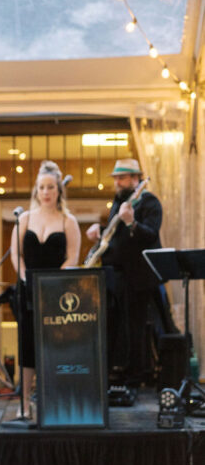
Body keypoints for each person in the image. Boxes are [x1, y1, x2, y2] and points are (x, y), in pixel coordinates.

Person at [10, 160, 81, 418]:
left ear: (59, 190)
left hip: (57, 293)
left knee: (54, 346)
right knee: (27, 346)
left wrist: (56, 284)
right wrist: (25, 278)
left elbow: (73, 256)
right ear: (36, 191)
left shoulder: (68, 220)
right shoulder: (24, 219)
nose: (46, 192)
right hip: (28, 289)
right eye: (42, 187)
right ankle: (25, 403)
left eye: (51, 187)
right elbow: (16, 255)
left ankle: (53, 400)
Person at [86, 158, 162, 391]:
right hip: (115, 275)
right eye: (116, 178)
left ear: (135, 179)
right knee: (117, 327)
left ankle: (136, 375)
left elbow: (150, 235)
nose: (117, 182)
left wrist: (132, 223)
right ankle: (117, 371)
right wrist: (100, 233)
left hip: (138, 276)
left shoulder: (149, 202)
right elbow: (115, 236)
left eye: (122, 177)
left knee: (135, 327)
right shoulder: (119, 201)